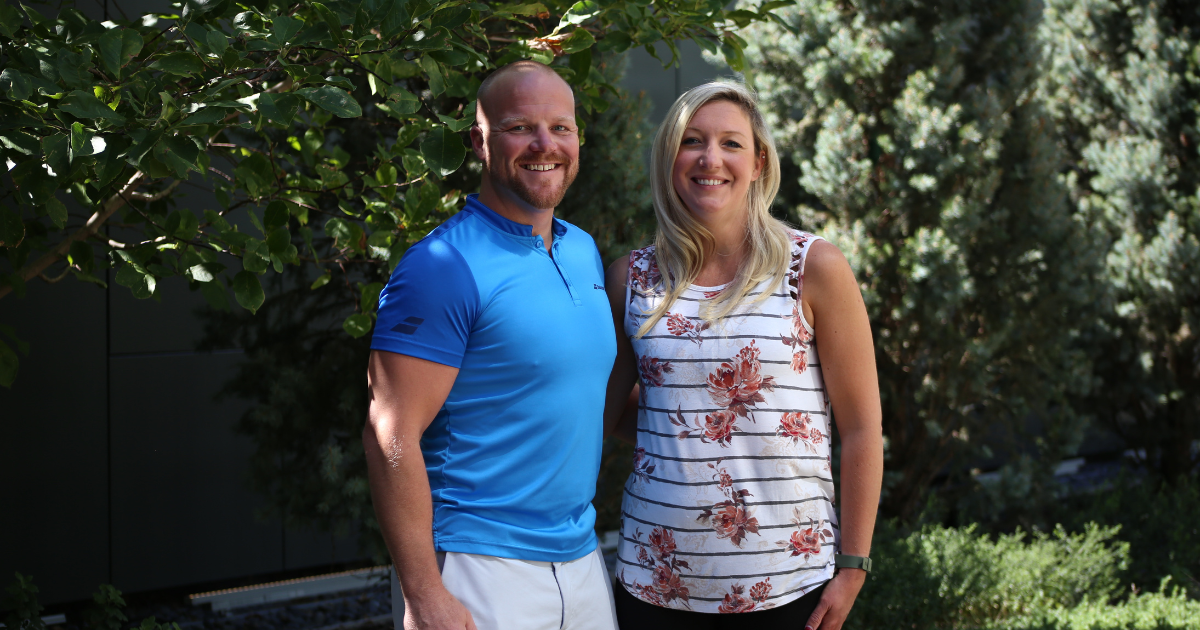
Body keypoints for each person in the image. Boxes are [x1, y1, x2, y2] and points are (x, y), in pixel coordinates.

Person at [602, 82, 884, 630]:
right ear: (669, 160)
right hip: (652, 584)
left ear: (758, 163)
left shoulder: (813, 268)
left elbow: (862, 429)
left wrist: (853, 567)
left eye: (731, 143)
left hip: (790, 587)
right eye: (693, 142)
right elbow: (601, 415)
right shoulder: (631, 279)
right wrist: (685, 430)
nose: (711, 159)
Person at [363, 61, 619, 630]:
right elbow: (389, 434)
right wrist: (425, 594)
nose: (544, 144)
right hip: (479, 565)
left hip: (580, 556)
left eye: (561, 127)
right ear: (479, 141)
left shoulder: (583, 251)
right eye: (520, 127)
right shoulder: (441, 266)